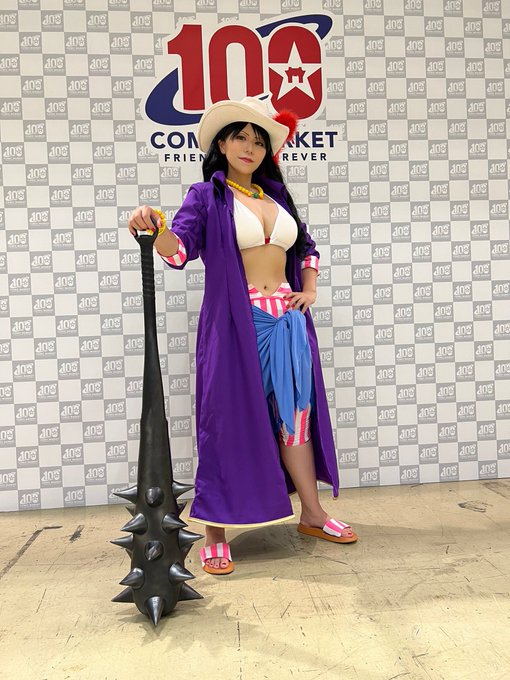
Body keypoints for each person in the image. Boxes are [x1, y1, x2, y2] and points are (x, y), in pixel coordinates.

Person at [128, 96, 357, 575]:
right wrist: (154, 227)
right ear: (222, 144)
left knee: (295, 421)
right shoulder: (206, 196)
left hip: (288, 323)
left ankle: (312, 514)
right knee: (227, 422)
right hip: (236, 324)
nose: (250, 147)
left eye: (258, 141)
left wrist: (309, 289)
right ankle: (215, 531)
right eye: (240, 137)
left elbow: (307, 248)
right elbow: (179, 250)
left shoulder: (277, 198)